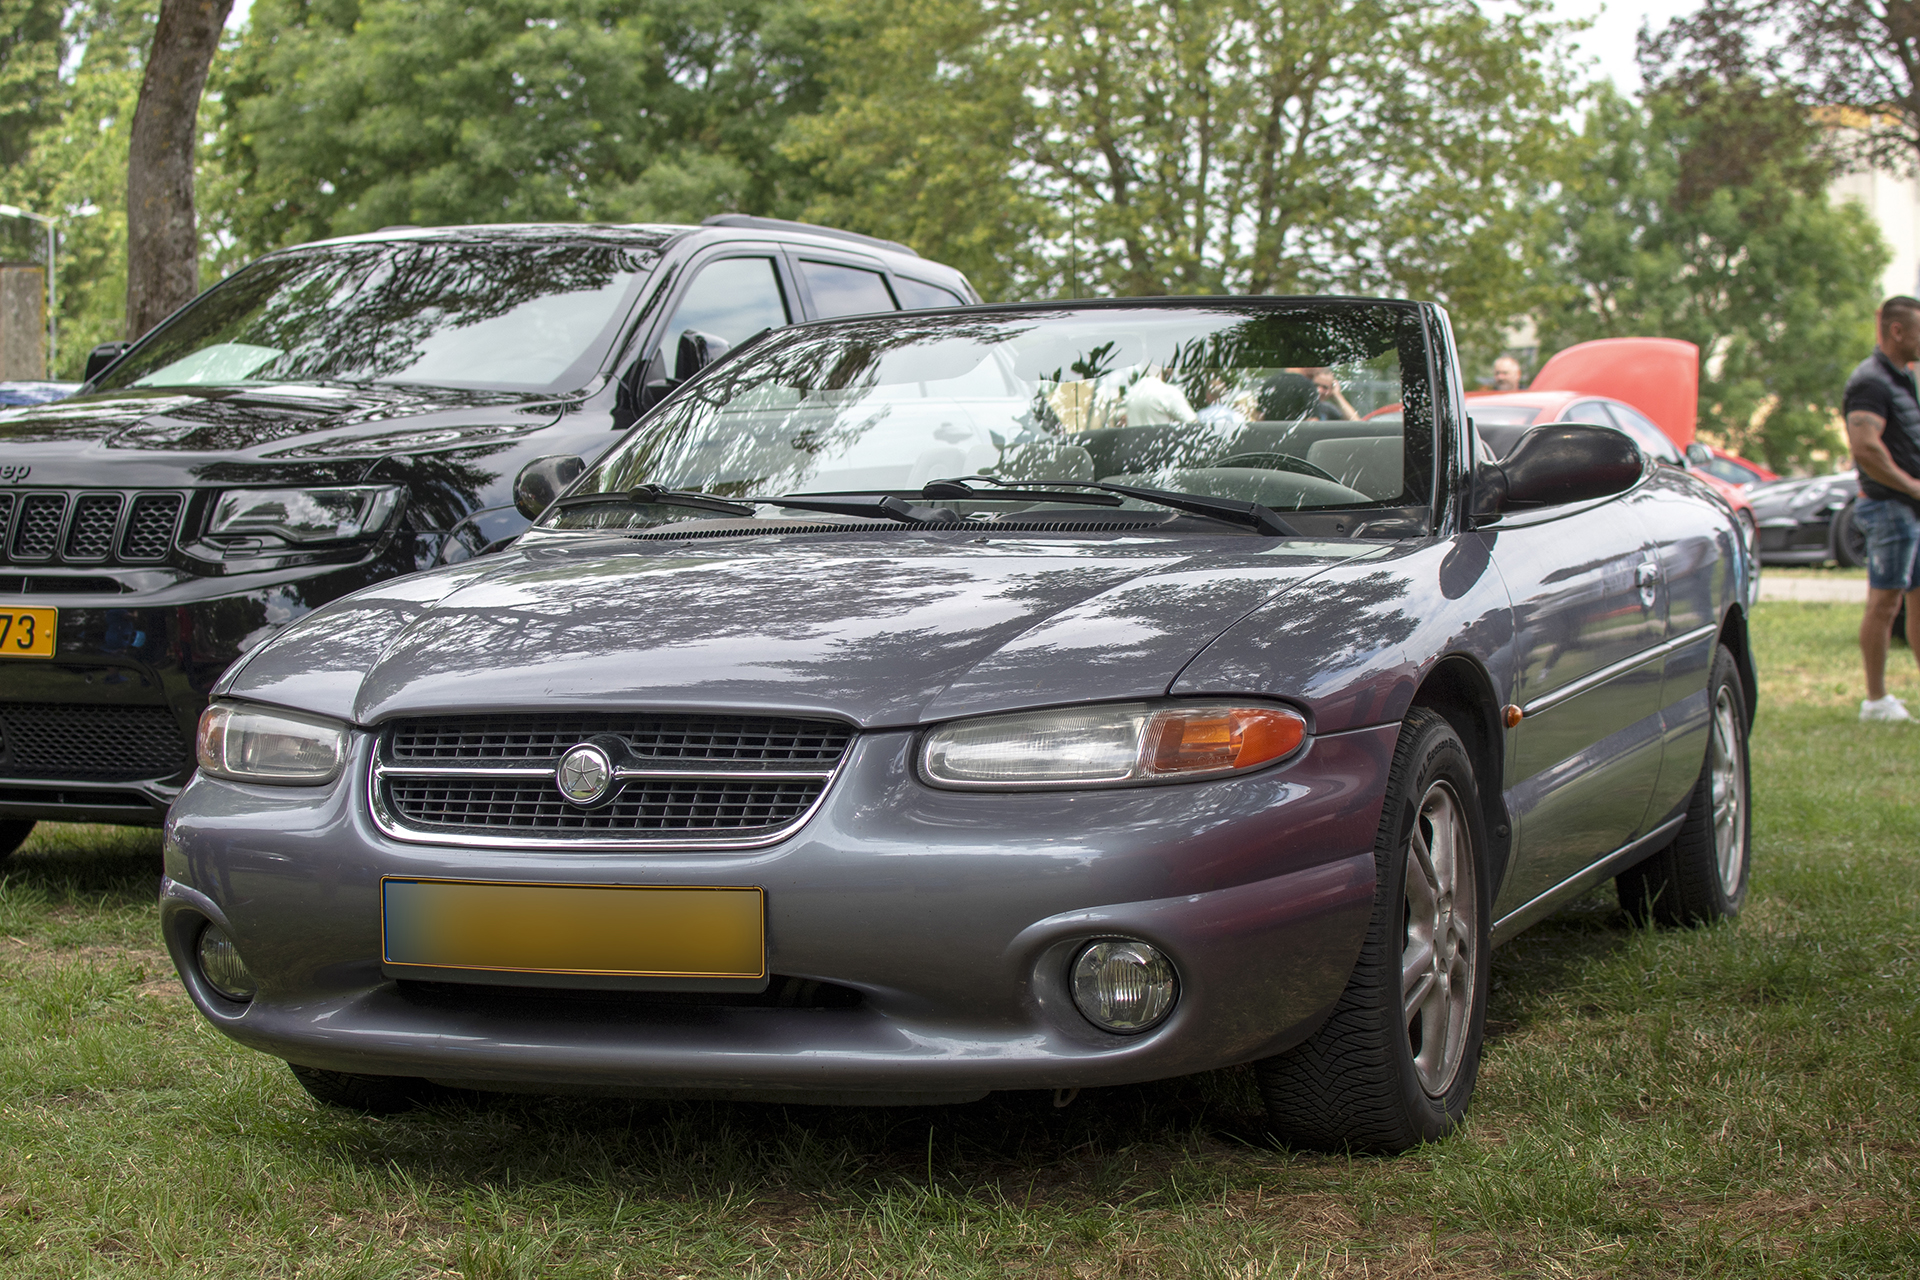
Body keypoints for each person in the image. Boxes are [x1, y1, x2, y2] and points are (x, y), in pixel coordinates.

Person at [1842, 295, 1920, 722]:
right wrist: (1910, 485)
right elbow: (1865, 447)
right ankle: (1875, 700)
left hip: (1910, 510)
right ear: (1897, 330)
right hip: (1888, 507)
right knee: (1884, 603)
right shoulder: (1870, 381)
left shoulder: (1903, 378)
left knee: (1917, 600)